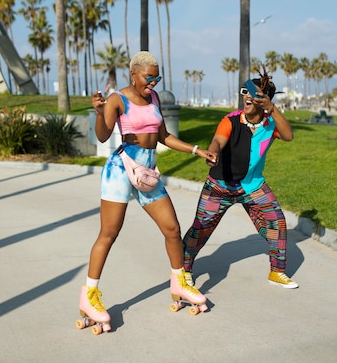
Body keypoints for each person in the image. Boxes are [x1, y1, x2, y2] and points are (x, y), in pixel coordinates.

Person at [78, 51, 217, 330]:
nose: (152, 83)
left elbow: (163, 136)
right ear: (134, 74)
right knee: (109, 233)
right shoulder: (117, 99)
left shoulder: (153, 99)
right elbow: (104, 135)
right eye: (148, 77)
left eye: (157, 78)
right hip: (121, 170)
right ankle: (89, 295)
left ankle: (179, 282)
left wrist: (196, 150)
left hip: (149, 173)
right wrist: (98, 112)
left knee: (172, 229)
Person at [183, 65, 299, 290]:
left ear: (264, 100)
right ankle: (184, 270)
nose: (246, 97)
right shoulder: (232, 120)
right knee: (201, 228)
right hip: (219, 185)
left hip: (252, 185)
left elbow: (288, 135)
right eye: (244, 92)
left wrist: (272, 109)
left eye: (252, 94)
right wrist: (213, 151)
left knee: (277, 222)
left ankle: (277, 271)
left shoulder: (270, 124)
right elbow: (218, 139)